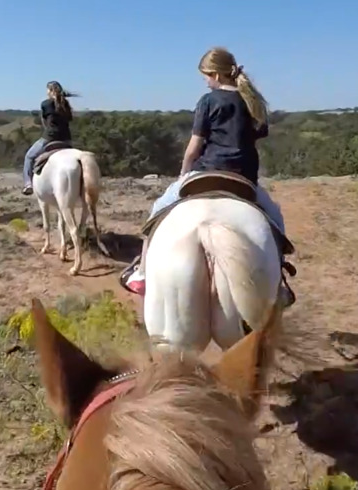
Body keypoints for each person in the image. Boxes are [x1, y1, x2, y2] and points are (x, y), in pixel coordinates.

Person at [124, 47, 292, 303]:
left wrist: (183, 173)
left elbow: (194, 146)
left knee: (158, 210)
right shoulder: (252, 102)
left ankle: (142, 272)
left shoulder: (208, 101)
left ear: (215, 74)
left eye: (205, 76)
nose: (204, 81)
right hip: (244, 176)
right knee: (275, 217)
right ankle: (278, 279)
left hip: (207, 170)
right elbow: (255, 137)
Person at [22, 81, 75, 195]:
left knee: (29, 156)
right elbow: (70, 119)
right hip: (66, 138)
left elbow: (45, 122)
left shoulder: (46, 104)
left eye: (47, 90)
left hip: (50, 137)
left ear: (50, 90)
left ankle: (28, 184)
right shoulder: (65, 104)